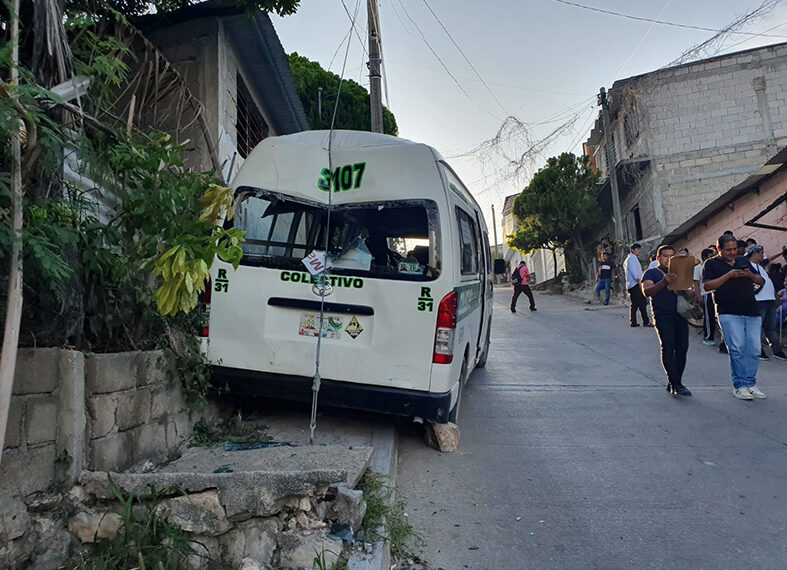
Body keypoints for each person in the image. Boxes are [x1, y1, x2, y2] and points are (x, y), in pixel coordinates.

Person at [703, 234, 766, 400]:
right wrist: (728, 276)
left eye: (734, 249)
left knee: (754, 349)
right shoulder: (711, 263)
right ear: (719, 249)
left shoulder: (743, 261)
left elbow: (761, 281)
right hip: (728, 311)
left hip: (751, 309)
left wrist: (750, 276)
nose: (732, 253)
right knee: (737, 348)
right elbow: (707, 285)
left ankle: (751, 383)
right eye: (727, 250)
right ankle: (739, 385)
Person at [642, 245, 692, 396]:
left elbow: (687, 290)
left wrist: (690, 293)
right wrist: (664, 282)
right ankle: (675, 383)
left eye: (672, 255)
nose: (668, 259)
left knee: (682, 348)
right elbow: (647, 291)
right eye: (665, 256)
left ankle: (676, 380)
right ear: (659, 258)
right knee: (668, 347)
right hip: (663, 314)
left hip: (680, 314)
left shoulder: (678, 273)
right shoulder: (651, 273)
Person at [747, 244, 786, 360]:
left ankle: (777, 350)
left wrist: (776, 297)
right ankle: (757, 350)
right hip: (758, 300)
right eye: (761, 253)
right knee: (757, 327)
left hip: (769, 300)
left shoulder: (761, 267)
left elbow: (768, 282)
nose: (763, 256)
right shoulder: (748, 267)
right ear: (754, 254)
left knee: (771, 327)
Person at [625, 243, 652, 327]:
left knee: (637, 304)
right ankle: (644, 322)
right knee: (640, 304)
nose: (639, 251)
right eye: (637, 249)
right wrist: (640, 283)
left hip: (631, 284)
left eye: (640, 249)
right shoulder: (632, 258)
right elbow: (635, 273)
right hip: (635, 284)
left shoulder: (629, 258)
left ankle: (635, 321)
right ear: (632, 250)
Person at [696, 248, 716, 345]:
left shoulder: (715, 266)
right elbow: (696, 283)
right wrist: (699, 295)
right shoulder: (698, 268)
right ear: (704, 257)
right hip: (706, 294)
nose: (713, 258)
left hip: (717, 293)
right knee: (709, 317)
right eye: (710, 256)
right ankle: (708, 337)